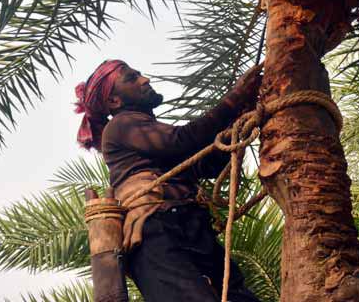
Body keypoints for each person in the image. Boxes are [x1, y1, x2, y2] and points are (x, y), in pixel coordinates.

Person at [75, 59, 262, 302]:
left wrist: (240, 117)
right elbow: (181, 139)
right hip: (157, 232)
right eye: (132, 78)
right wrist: (233, 100)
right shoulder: (121, 126)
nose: (145, 80)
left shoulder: (148, 130)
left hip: (189, 226)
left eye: (140, 74)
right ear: (114, 101)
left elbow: (209, 165)